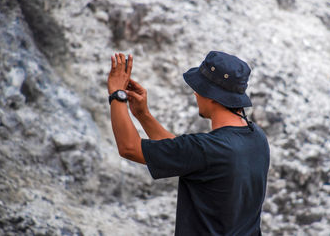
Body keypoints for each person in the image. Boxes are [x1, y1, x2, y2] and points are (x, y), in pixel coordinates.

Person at [107, 51, 270, 235]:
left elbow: (129, 147)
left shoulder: (208, 149)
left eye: (199, 87)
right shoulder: (257, 137)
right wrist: (143, 115)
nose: (195, 92)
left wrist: (117, 94)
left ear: (211, 95)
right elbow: (182, 153)